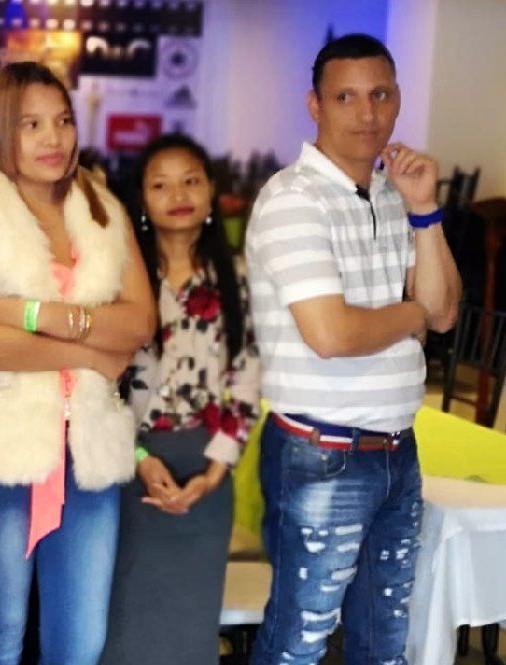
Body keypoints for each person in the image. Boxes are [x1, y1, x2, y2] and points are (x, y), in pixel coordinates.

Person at [0, 61, 156, 665]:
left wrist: (35, 315)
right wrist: (88, 349)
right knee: (2, 628)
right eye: (31, 124)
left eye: (62, 121)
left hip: (87, 446)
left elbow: (139, 321)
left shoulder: (99, 206)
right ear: (0, 128)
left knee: (81, 640)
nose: (52, 138)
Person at [245, 34, 460, 664]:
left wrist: (425, 212)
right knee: (297, 645)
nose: (367, 114)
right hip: (322, 454)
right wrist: (414, 313)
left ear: (397, 101)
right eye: (346, 97)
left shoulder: (395, 196)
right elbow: (332, 334)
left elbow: (445, 312)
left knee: (383, 644)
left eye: (380, 95)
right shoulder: (292, 200)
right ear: (314, 105)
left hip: (398, 449)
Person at [100, 133, 261, 665]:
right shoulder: (120, 280)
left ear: (212, 190)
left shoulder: (237, 276)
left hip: (206, 469)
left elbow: (248, 378)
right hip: (130, 466)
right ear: (141, 199)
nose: (178, 194)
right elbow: (100, 383)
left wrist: (215, 472)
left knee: (191, 626)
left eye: (190, 180)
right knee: (126, 621)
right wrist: (139, 460)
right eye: (161, 184)